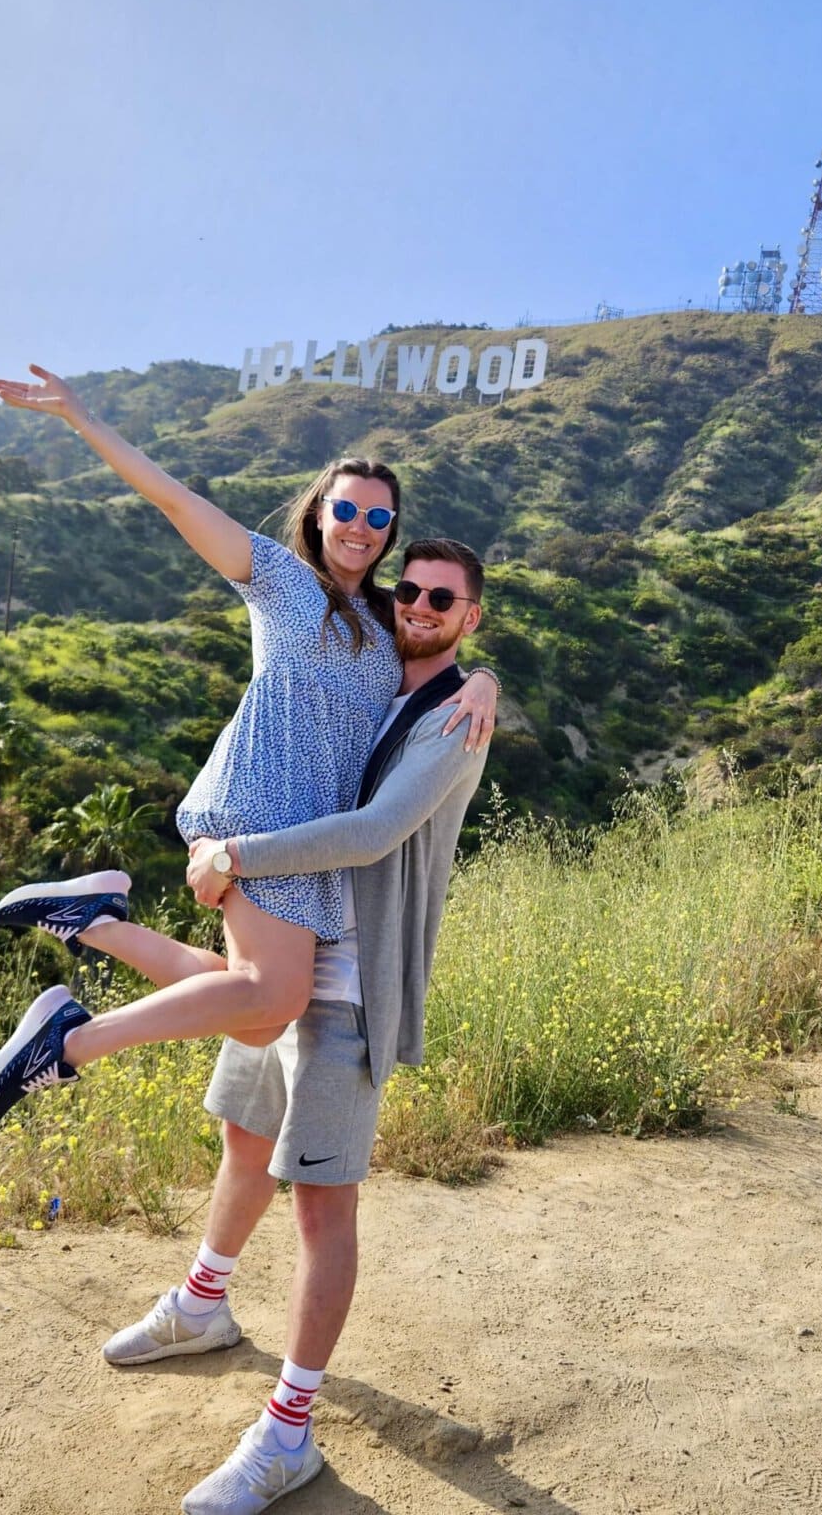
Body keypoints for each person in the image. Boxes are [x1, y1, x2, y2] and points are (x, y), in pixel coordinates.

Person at [31, 538, 493, 1515]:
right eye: (407, 588)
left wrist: (236, 852)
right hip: (292, 941)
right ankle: (201, 1305)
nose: (415, 603)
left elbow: (370, 835)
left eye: (440, 598)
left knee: (321, 1210)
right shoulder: (376, 675)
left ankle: (289, 1432)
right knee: (243, 1143)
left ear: (468, 617)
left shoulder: (453, 717)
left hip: (354, 981)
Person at [0, 366, 496, 1122]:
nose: (359, 527)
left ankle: (96, 922)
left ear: (390, 534)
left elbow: (445, 639)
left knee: (262, 1010)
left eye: (378, 519)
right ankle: (66, 1045)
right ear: (318, 514)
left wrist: (485, 682)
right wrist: (82, 419)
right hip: (259, 805)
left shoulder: (389, 617)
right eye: (345, 508)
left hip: (309, 832)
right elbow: (174, 498)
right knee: (269, 995)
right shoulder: (280, 578)